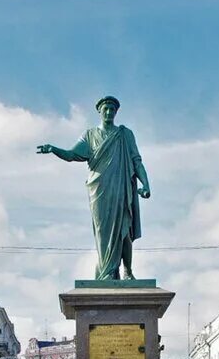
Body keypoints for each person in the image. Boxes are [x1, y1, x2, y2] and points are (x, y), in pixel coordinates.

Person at [37, 96, 151, 280]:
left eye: (112, 109)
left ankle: (127, 271)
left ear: (116, 112)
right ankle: (107, 272)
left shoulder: (125, 134)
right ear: (99, 111)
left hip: (121, 187)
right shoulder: (89, 135)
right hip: (99, 191)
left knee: (124, 230)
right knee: (103, 233)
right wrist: (53, 149)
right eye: (105, 109)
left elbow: (137, 161)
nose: (108, 112)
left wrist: (146, 184)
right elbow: (72, 154)